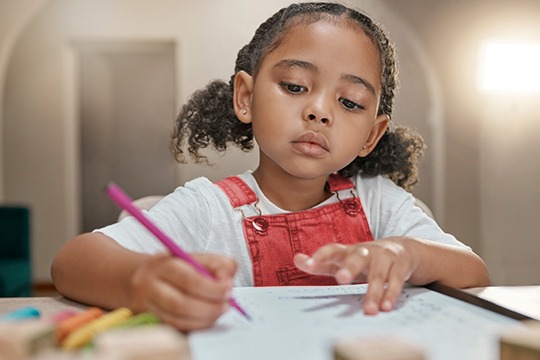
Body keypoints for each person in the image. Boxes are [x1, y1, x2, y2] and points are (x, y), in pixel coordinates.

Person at [51, 2, 490, 331]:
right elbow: (72, 263)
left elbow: (473, 271)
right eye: (296, 86)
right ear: (246, 97)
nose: (320, 111)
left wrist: (405, 253)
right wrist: (140, 280)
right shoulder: (209, 209)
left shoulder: (378, 204)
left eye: (349, 102)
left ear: (371, 135)